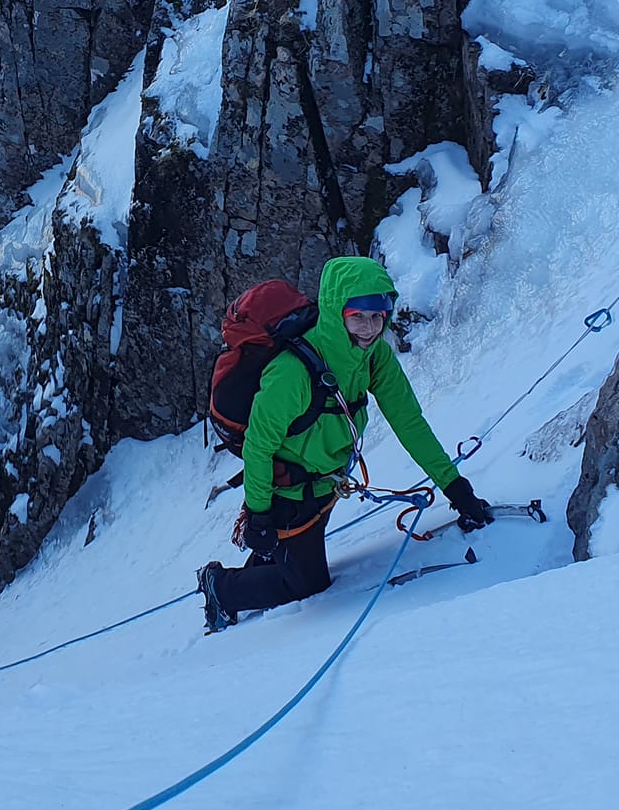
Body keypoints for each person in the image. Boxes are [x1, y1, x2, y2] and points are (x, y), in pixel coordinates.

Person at [198, 255, 493, 632]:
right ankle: (221, 588)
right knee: (305, 583)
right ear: (338, 312)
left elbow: (409, 423)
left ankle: (270, 560)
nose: (369, 328)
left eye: (378, 316)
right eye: (358, 316)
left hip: (326, 480)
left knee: (291, 553)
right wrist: (258, 513)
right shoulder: (292, 373)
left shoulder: (374, 356)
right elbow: (259, 446)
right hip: (288, 491)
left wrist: (455, 487)